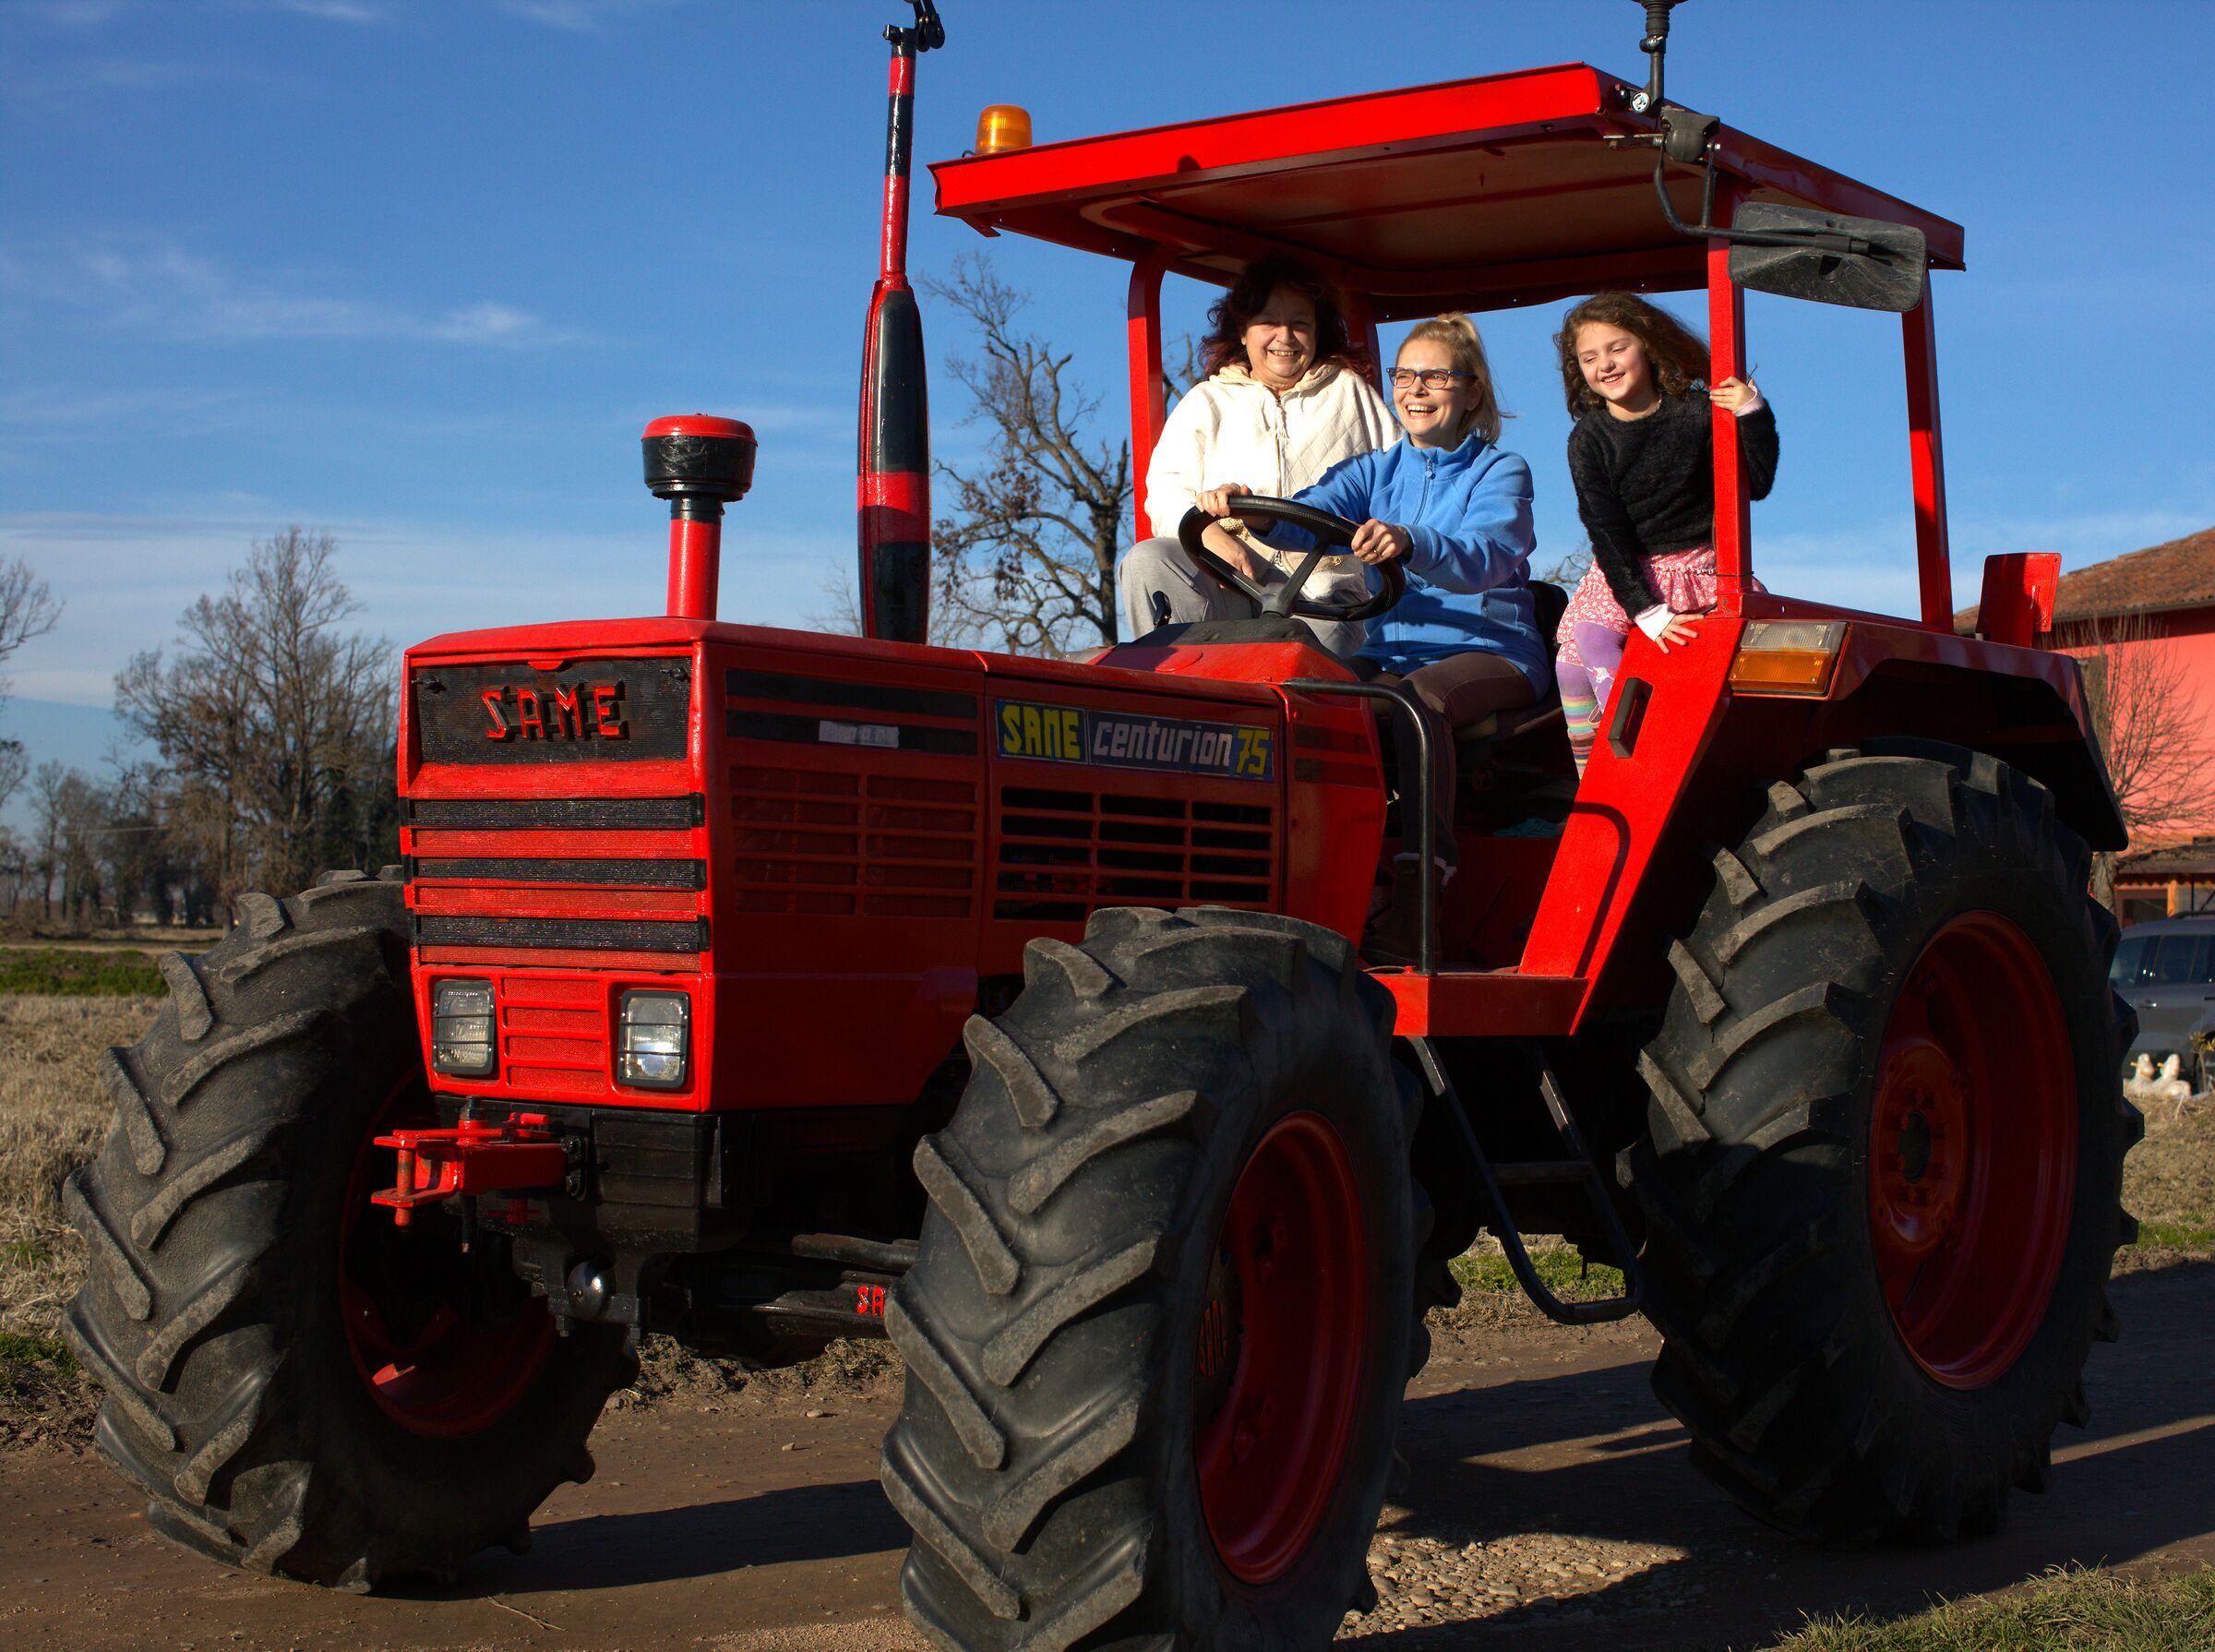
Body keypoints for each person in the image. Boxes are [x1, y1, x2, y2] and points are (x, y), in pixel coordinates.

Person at [1199, 314, 1542, 964]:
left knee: (1413, 705)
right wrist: (1252, 508)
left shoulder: (1501, 472)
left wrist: (1414, 540)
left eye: (1436, 375)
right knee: (1307, 698)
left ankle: (1421, 899)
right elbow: (1308, 518)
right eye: (1406, 375)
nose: (1416, 388)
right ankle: (1300, 888)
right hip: (1393, 650)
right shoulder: (1372, 471)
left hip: (1488, 649)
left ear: (1471, 391)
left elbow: (1488, 553)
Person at [1119, 255, 1395, 658]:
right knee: (1147, 559)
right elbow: (1164, 491)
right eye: (1269, 322)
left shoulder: (1351, 397)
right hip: (1230, 581)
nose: (1285, 336)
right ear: (1243, 332)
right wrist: (1211, 537)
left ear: (1318, 331)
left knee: (1304, 661)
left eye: (1300, 323)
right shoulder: (1207, 402)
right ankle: (1179, 692)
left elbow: (1400, 480)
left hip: (1322, 597)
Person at [1552, 292, 1779, 772]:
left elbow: (1755, 484)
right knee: (1580, 651)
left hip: (1697, 564)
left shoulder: (1696, 414)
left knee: (1739, 654)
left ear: (1648, 347)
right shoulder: (1589, 439)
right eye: (1589, 358)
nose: (1605, 365)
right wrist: (1646, 610)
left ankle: (1658, 757)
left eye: (1617, 348)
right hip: (1627, 570)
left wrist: (1753, 413)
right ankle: (1602, 773)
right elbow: (1605, 529)